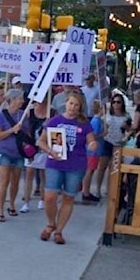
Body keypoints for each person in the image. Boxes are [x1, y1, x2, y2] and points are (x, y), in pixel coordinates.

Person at [38, 90, 98, 245]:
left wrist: (92, 144)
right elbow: (41, 141)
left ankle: (59, 230)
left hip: (75, 164)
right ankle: (50, 223)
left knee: (68, 197)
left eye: (76, 105)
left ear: (80, 108)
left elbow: (91, 141)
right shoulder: (55, 121)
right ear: (66, 103)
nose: (73, 107)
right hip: (55, 162)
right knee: (50, 196)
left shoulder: (84, 124)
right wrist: (50, 150)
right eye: (71, 103)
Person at [0, 88, 27, 221]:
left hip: (18, 152)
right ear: (12, 100)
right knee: (4, 181)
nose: (22, 101)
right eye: (20, 98)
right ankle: (0, 210)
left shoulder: (23, 115)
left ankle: (12, 204)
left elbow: (27, 134)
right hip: (4, 151)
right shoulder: (1, 115)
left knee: (15, 181)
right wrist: (12, 130)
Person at [20, 99, 52, 213]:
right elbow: (24, 128)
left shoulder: (51, 111)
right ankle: (26, 202)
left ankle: (42, 200)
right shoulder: (30, 112)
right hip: (31, 147)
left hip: (44, 148)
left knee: (43, 174)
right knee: (29, 173)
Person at [81, 99, 106, 202]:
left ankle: (86, 190)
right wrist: (103, 134)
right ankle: (85, 191)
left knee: (91, 170)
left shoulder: (98, 120)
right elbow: (93, 136)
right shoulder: (96, 121)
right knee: (90, 170)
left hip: (96, 150)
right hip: (93, 151)